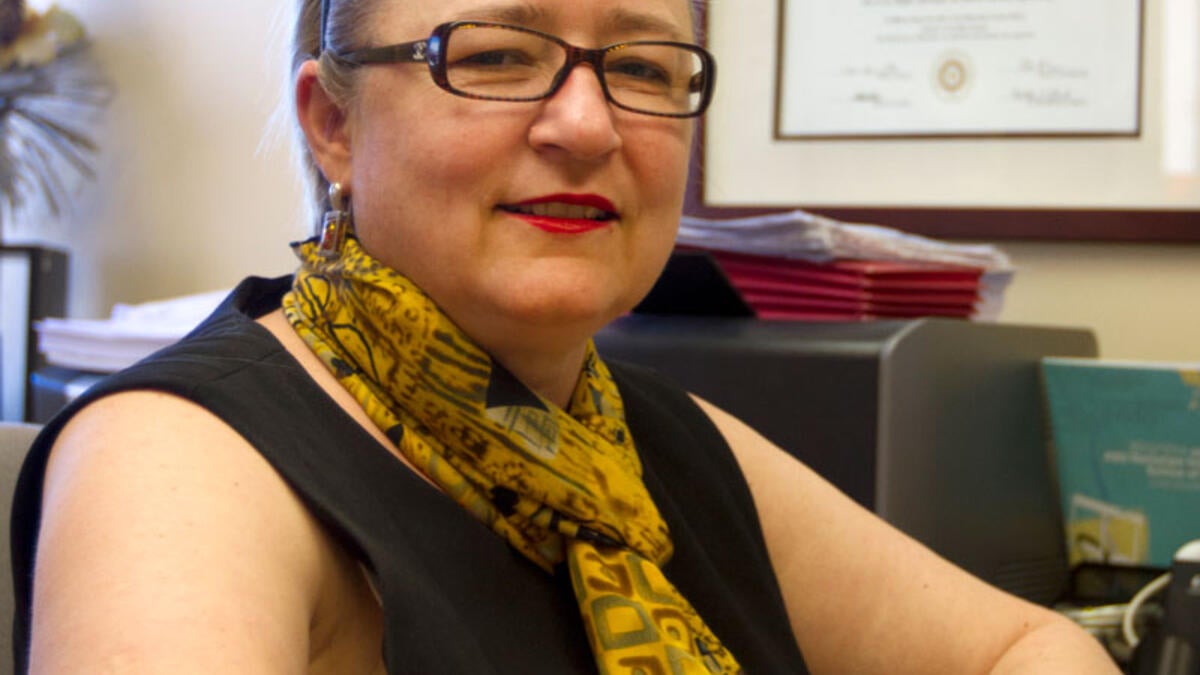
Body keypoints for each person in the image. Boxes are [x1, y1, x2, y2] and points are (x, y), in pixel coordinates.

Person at [10, 0, 1121, 673]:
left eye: (643, 67)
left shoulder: (640, 445)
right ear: (334, 125)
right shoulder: (179, 461)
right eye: (493, 54)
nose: (587, 125)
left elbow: (1028, 647)